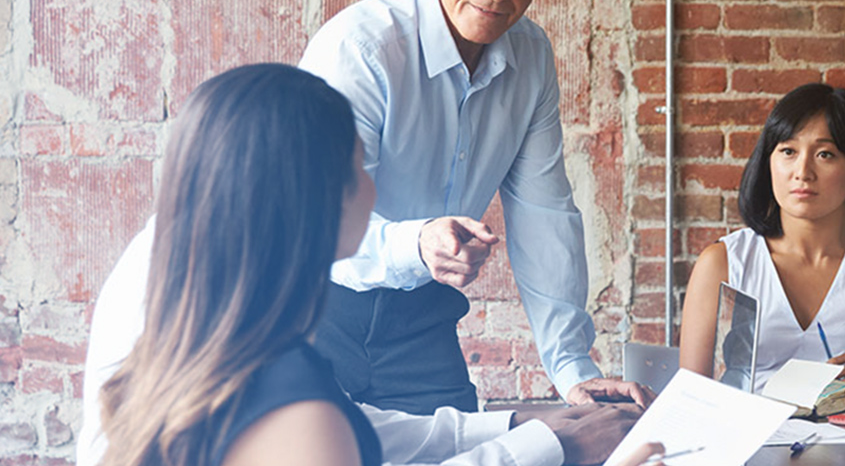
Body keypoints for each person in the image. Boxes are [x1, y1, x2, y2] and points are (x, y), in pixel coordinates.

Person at [81, 63, 665, 466]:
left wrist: (525, 429)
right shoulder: (290, 401)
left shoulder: (203, 306)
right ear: (319, 193)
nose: (376, 185)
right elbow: (329, 434)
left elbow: (355, 427)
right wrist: (557, 451)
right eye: (363, 164)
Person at [299, 0, 648, 416]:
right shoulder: (362, 49)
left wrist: (573, 368)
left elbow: (544, 213)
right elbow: (313, 224)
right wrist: (416, 245)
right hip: (313, 314)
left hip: (423, 323)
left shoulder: (531, 59)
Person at [678, 83, 845, 402]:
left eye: (825, 154)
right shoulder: (723, 263)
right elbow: (688, 398)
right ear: (769, 162)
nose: (803, 172)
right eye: (788, 151)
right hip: (754, 446)